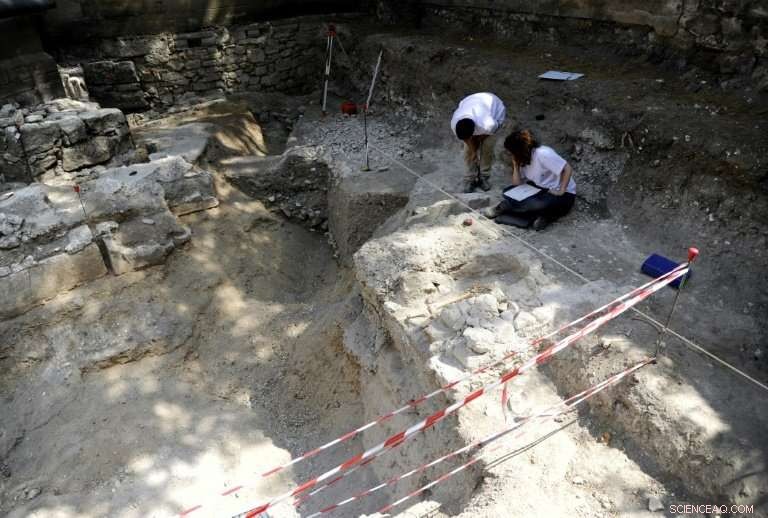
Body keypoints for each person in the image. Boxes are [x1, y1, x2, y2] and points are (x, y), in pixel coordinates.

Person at [484, 129, 576, 230]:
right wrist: (516, 165)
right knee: (509, 192)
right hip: (539, 189)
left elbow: (567, 168)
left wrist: (561, 190)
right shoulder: (523, 158)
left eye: (512, 152)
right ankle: (534, 216)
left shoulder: (543, 154)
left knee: (537, 204)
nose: (510, 155)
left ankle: (511, 209)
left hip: (563, 193)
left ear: (519, 150)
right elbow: (517, 184)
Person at [450, 92, 506, 193]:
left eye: (471, 137)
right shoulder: (455, 123)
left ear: (474, 132)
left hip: (495, 112)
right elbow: (466, 139)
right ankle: (470, 178)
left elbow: (486, 135)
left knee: (487, 147)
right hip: (472, 102)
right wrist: (473, 151)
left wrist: (477, 145)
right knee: (468, 151)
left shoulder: (487, 124)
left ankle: (484, 176)